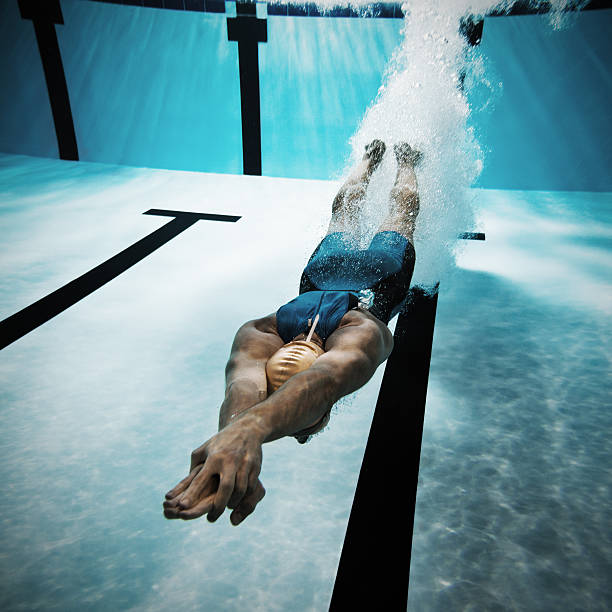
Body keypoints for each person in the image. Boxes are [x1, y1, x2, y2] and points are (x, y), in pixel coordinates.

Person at [163, 139, 421, 525]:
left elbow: (323, 380)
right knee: (344, 212)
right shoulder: (264, 332)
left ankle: (405, 162)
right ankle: (371, 162)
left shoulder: (360, 334)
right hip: (322, 272)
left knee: (400, 212)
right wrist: (238, 431)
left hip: (383, 274)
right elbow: (248, 386)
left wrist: (240, 432)